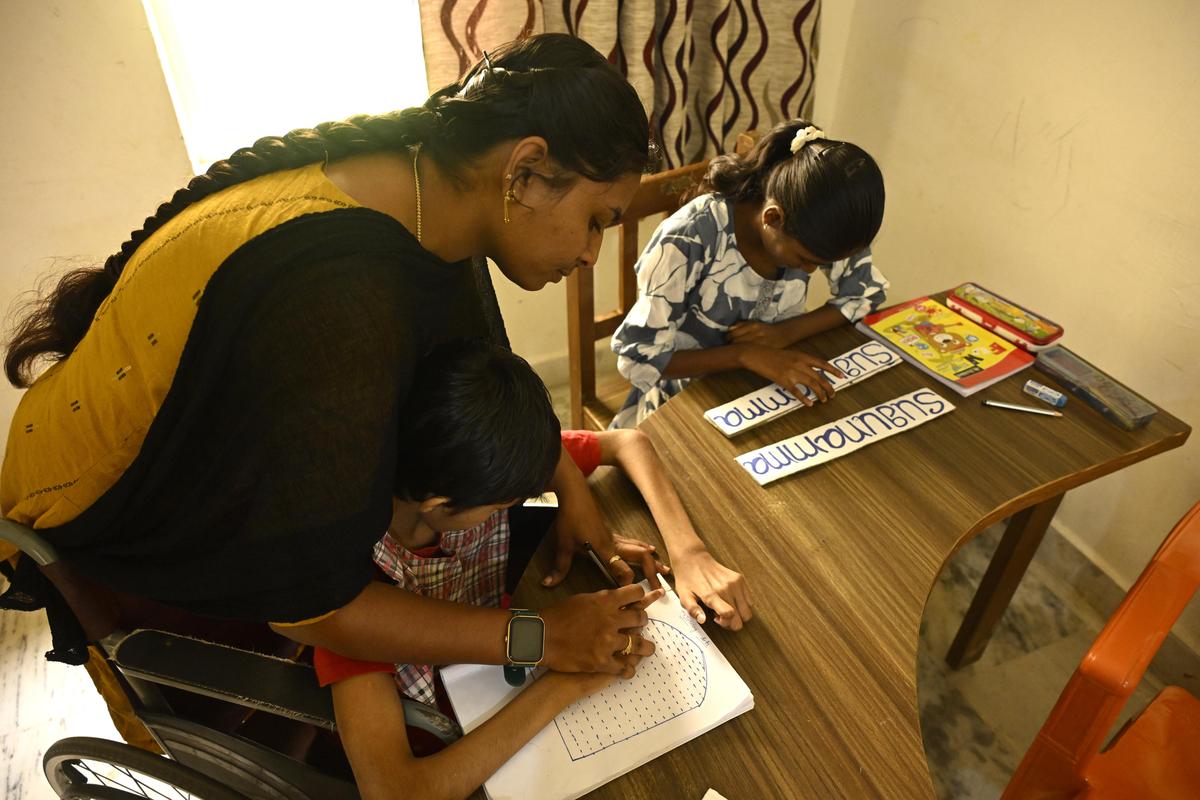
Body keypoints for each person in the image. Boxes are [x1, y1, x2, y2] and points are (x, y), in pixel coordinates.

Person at [0, 34, 656, 678]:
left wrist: (571, 488)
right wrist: (543, 638)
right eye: (597, 219)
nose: (591, 253)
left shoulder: (436, 196)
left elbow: (477, 376)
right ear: (524, 173)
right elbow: (313, 608)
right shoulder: (338, 300)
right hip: (107, 496)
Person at [311, 338, 745, 797]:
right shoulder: (349, 590)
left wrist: (688, 551)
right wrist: (561, 682)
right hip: (447, 743)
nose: (519, 504)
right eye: (507, 503)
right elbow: (399, 791)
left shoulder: (473, 462)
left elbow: (627, 443)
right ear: (439, 506)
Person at [609, 119, 889, 429]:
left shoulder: (823, 226)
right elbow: (638, 357)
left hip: (768, 391)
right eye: (805, 260)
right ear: (773, 217)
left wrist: (786, 333)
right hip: (682, 404)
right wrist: (743, 355)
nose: (812, 269)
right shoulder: (691, 237)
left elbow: (865, 293)